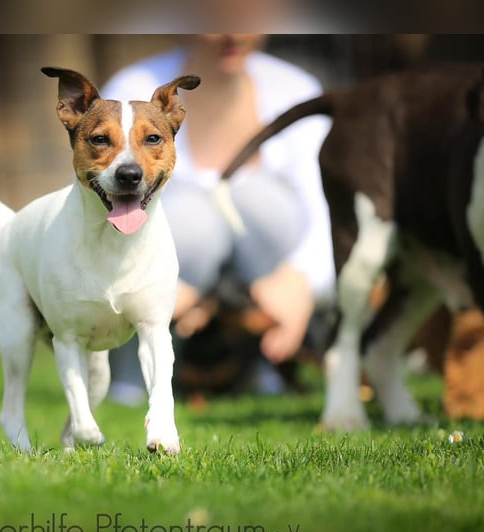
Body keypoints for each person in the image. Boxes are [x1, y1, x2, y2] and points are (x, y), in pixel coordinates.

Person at [101, 35, 335, 403]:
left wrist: (302, 281)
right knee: (190, 218)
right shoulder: (132, 89)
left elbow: (325, 211)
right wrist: (151, 283)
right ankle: (135, 375)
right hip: (168, 284)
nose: (232, 30)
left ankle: (264, 365)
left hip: (255, 296)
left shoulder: (295, 89)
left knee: (263, 204)